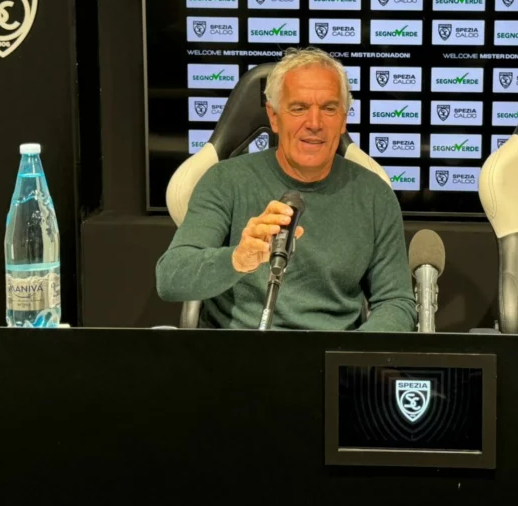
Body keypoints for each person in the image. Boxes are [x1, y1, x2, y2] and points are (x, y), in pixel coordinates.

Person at [156, 47, 416, 331]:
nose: (314, 123)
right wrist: (237, 259)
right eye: (299, 108)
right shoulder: (225, 180)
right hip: (236, 349)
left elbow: (396, 302)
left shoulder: (375, 195)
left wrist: (350, 352)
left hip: (331, 351)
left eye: (329, 109)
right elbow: (170, 278)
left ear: (343, 119)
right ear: (274, 116)